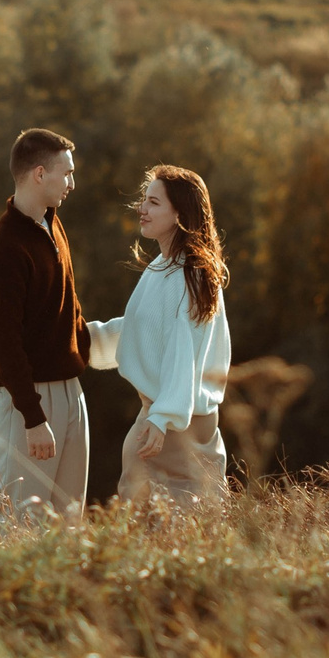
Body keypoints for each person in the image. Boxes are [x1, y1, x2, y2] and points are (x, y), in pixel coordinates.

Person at [87, 164, 232, 512]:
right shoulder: (161, 267)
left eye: (153, 202)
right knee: (145, 518)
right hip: (162, 417)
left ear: (179, 214)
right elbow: (140, 327)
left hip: (177, 425)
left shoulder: (192, 275)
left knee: (181, 519)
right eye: (144, 200)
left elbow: (185, 350)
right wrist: (83, 339)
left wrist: (163, 416)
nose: (142, 209)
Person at [0, 127, 91, 523]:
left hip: (70, 393)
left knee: (69, 526)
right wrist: (33, 416)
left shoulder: (52, 226)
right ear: (40, 174)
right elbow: (2, 342)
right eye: (67, 173)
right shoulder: (4, 247)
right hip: (29, 403)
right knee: (23, 528)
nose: (72, 183)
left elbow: (66, 309)